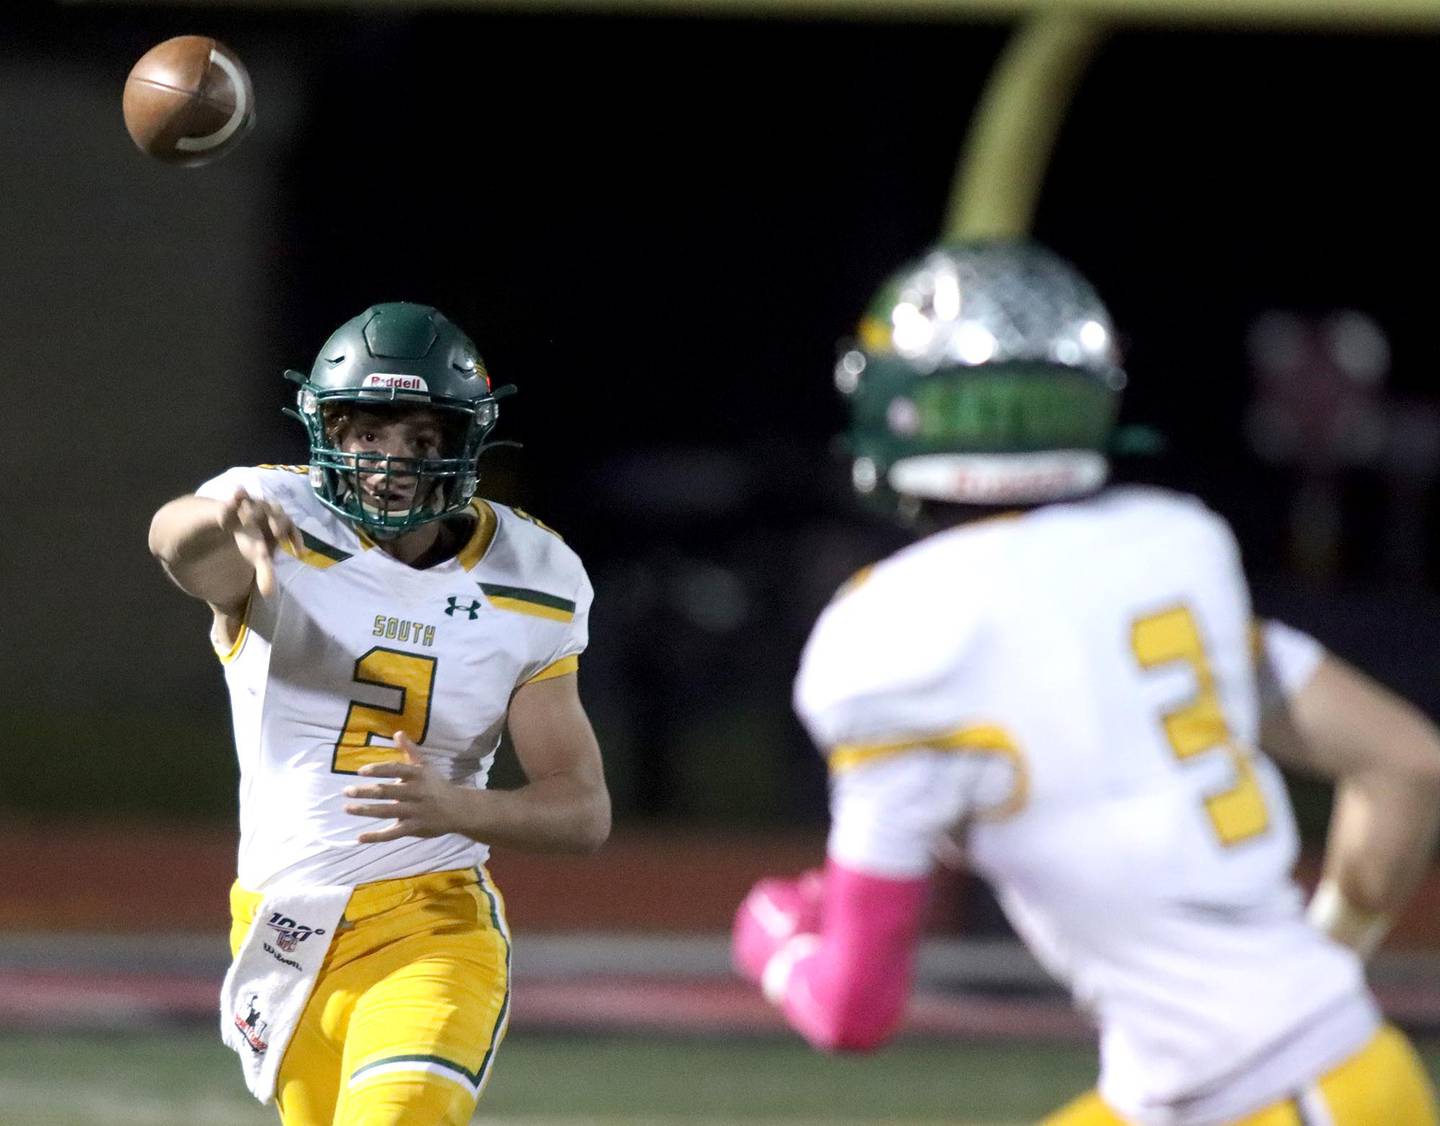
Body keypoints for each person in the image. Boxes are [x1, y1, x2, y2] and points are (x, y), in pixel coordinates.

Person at [731, 242, 1440, 1124]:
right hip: (1332, 1069)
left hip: (1265, 1097)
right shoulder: (1174, 545)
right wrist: (1320, 968)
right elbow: (1409, 765)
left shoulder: (887, 635)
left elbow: (851, 1008)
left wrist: (773, 942)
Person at [148, 302, 609, 1126]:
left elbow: (582, 809)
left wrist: (460, 807)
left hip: (429, 924)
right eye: (366, 435)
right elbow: (171, 542)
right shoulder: (270, 520)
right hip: (280, 930)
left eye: (421, 441)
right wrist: (219, 519)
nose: (390, 463)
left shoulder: (532, 574)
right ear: (327, 433)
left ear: (464, 446)